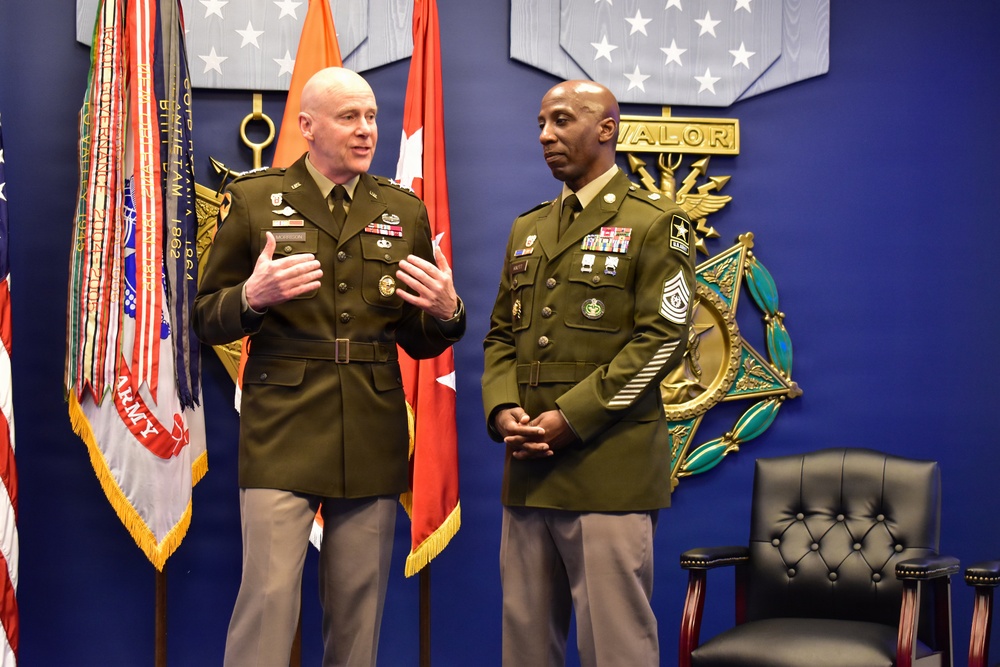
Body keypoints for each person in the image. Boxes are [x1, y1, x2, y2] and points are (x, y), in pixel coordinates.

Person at [194, 67, 465, 667]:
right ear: (307, 126)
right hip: (282, 427)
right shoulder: (254, 200)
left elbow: (421, 340)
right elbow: (206, 318)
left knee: (358, 611)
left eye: (371, 116)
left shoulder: (402, 209)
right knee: (266, 602)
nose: (366, 130)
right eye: (349, 117)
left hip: (370, 426)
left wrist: (449, 312)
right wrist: (251, 298)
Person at [481, 79, 696, 666]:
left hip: (609, 470)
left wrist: (569, 420)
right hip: (528, 470)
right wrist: (504, 413)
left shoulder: (656, 224)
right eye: (542, 124)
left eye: (563, 120)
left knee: (615, 648)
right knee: (525, 647)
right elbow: (502, 334)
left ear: (607, 129)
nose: (546, 135)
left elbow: (664, 340)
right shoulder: (528, 229)